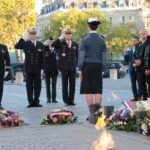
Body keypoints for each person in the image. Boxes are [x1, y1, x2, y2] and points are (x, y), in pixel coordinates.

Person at [78, 18, 107, 123]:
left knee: (88, 89)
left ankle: (91, 114)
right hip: (98, 65)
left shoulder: (84, 39)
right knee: (98, 89)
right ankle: (98, 114)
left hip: (87, 66)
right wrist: (103, 68)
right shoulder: (101, 39)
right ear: (97, 26)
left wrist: (80, 69)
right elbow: (104, 55)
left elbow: (81, 55)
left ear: (88, 26)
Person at [15, 27, 44, 108]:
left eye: (34, 34)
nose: (33, 35)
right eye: (31, 34)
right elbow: (16, 46)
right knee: (29, 86)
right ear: (29, 35)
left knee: (38, 86)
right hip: (29, 68)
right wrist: (23, 38)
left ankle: (36, 101)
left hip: (37, 69)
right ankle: (30, 102)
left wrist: (42, 69)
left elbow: (42, 58)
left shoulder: (40, 44)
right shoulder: (26, 43)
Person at [52, 28, 78, 106]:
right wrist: (60, 38)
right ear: (65, 35)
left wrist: (77, 66)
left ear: (71, 35)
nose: (68, 35)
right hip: (64, 67)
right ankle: (66, 100)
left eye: (69, 34)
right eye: (66, 34)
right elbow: (53, 45)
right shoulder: (61, 43)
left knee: (72, 84)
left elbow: (78, 56)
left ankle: (71, 100)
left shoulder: (75, 44)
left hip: (73, 67)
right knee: (65, 84)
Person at [124, 37, 141, 101]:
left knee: (140, 83)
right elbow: (126, 60)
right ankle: (135, 96)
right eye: (133, 41)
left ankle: (140, 97)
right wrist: (125, 53)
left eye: (135, 41)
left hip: (139, 68)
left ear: (138, 41)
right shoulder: (130, 50)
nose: (134, 42)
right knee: (133, 84)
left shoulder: (140, 48)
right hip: (131, 69)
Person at [134, 29, 150, 100]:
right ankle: (145, 99)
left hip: (146, 66)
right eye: (141, 33)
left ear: (147, 34)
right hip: (139, 67)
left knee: (149, 83)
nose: (142, 35)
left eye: (144, 33)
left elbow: (148, 56)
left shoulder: (149, 43)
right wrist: (136, 60)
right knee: (141, 84)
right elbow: (134, 55)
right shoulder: (138, 44)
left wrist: (148, 67)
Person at [43, 37, 58, 103]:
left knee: (54, 85)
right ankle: (48, 98)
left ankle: (54, 98)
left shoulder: (57, 49)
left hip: (55, 70)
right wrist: (43, 70)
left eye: (52, 41)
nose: (51, 43)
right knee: (47, 85)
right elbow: (44, 60)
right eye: (50, 41)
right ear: (48, 42)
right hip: (47, 70)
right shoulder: (45, 49)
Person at [0, 44, 10, 109]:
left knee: (0, 87)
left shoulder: (3, 47)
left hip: (1, 70)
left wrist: (7, 70)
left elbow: (7, 59)